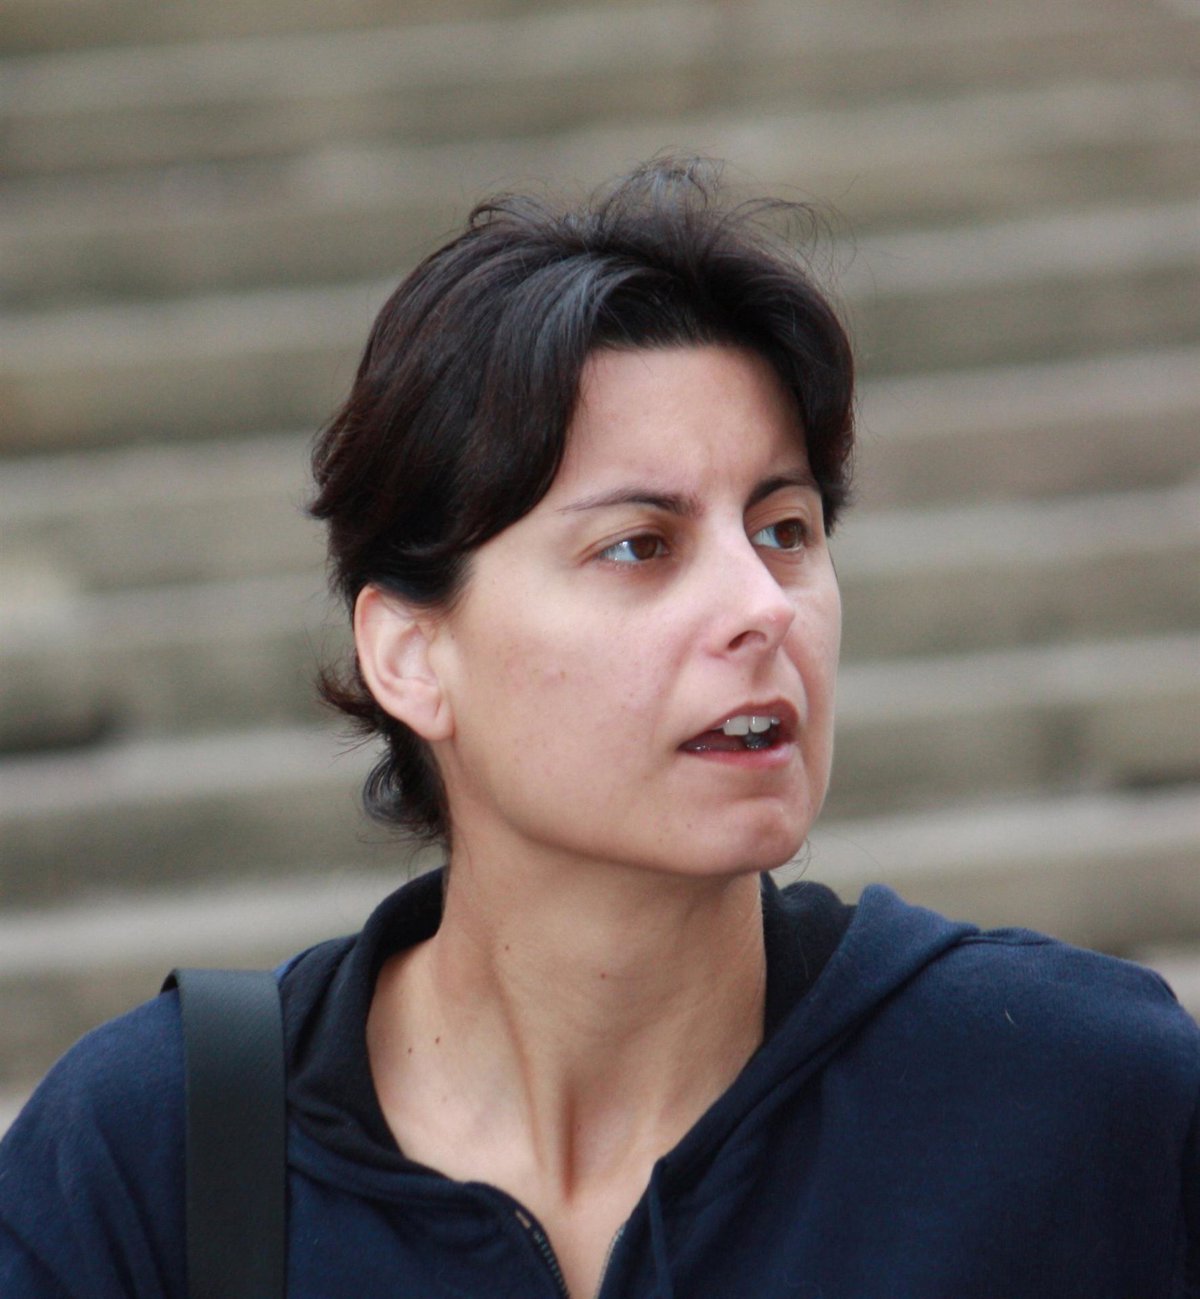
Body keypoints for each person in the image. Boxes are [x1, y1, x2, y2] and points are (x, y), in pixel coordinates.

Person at [1, 158, 1196, 1298]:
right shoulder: (149, 1162)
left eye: (784, 530)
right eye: (639, 546)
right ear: (410, 655)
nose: (760, 607)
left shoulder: (1076, 1100)